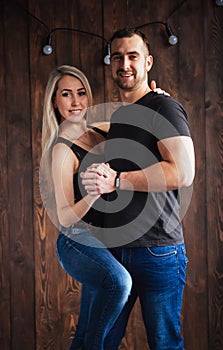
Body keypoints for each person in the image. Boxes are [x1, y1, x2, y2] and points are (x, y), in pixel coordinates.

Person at [81, 28, 195, 350]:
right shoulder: (122, 116)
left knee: (164, 344)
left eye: (133, 56)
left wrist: (117, 180)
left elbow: (183, 172)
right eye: (117, 56)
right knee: (101, 342)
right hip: (115, 252)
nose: (124, 63)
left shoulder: (164, 108)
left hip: (158, 251)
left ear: (148, 62)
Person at [40, 65, 133, 350]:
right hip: (77, 240)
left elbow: (137, 124)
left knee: (82, 334)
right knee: (119, 283)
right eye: (66, 95)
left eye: (81, 93)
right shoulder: (62, 150)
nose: (76, 101)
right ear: (54, 102)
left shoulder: (99, 132)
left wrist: (156, 96)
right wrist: (93, 193)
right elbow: (65, 216)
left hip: (103, 240)